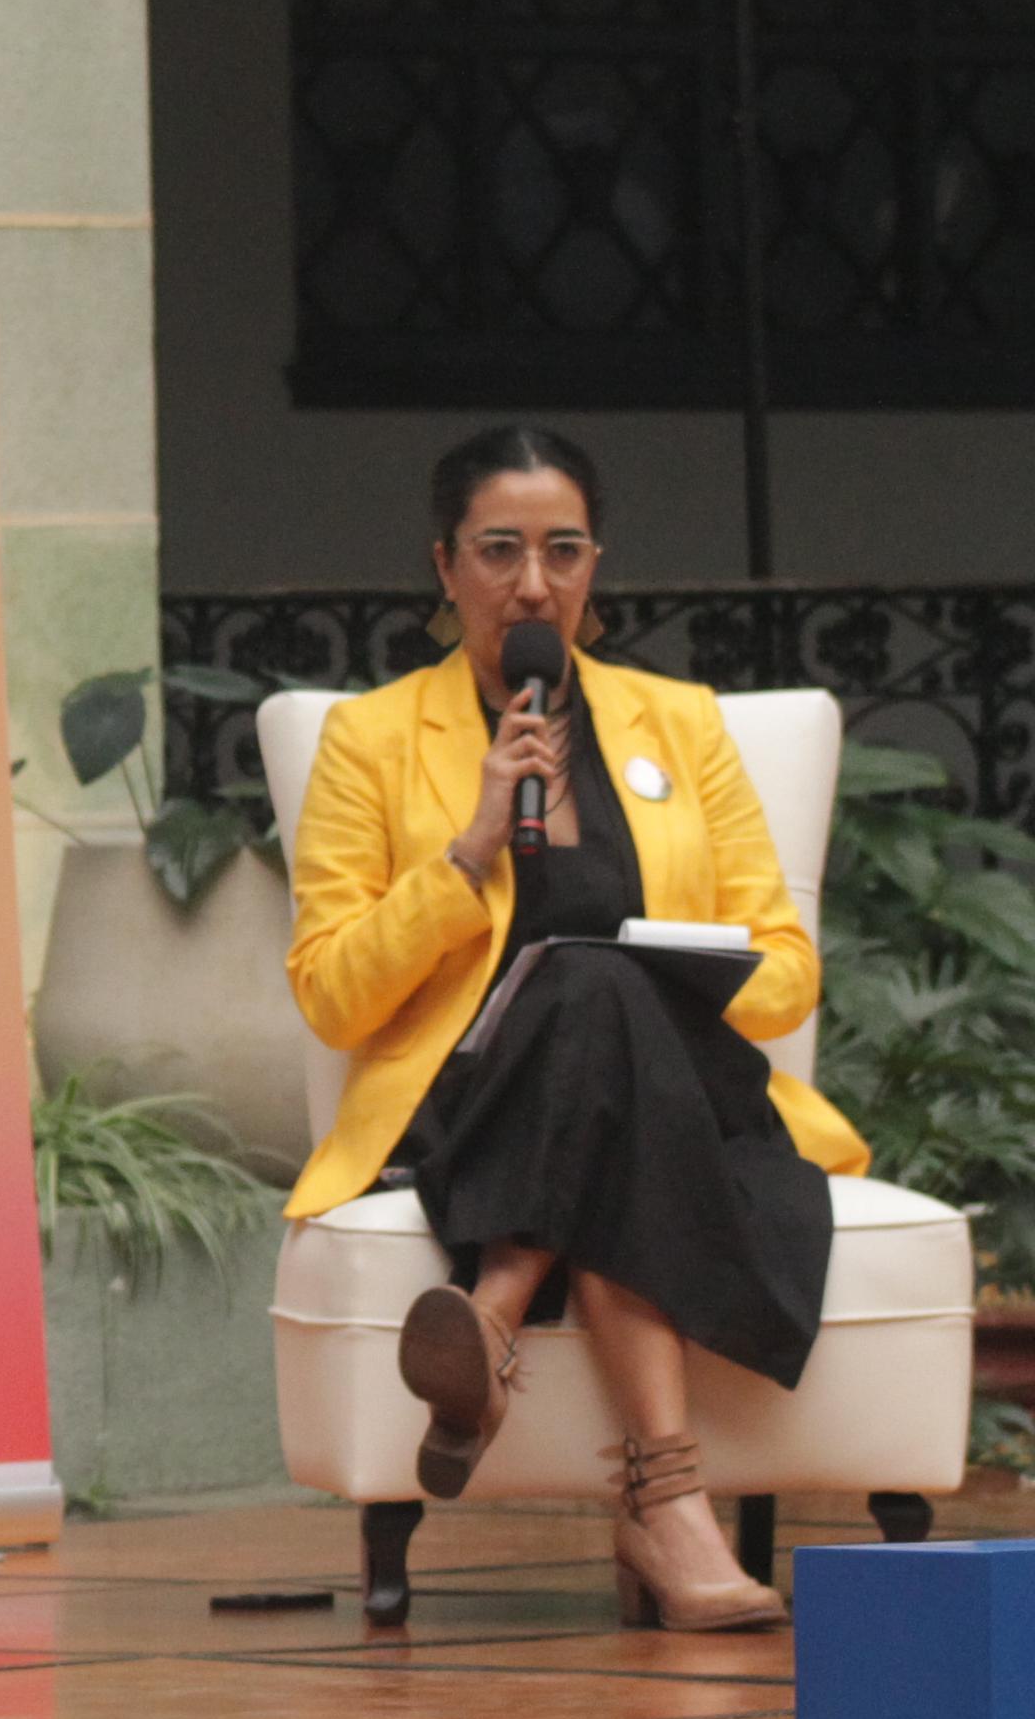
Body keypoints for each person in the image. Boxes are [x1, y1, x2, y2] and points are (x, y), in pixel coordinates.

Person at [284, 424, 866, 1631]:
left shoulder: (680, 724)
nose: (532, 583)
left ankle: (490, 1314)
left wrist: (689, 971)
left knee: (609, 995)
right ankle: (664, 1502)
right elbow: (332, 992)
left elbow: (786, 966)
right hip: (476, 1099)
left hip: (686, 1087)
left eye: (561, 549)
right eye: (498, 550)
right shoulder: (373, 739)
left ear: (594, 563)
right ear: (443, 566)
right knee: (588, 1011)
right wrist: (471, 845)